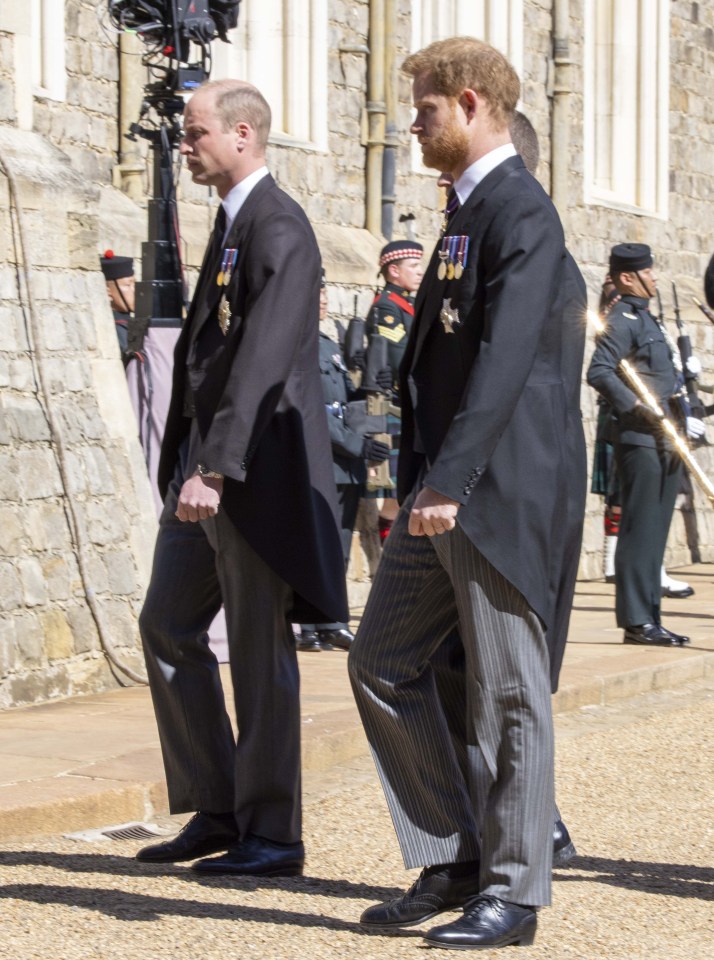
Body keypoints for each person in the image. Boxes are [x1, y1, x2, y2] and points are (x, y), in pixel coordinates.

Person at [348, 37, 585, 950]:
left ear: (474, 102)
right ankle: (453, 848)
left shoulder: (523, 213)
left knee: (509, 693)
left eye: (427, 107)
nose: (413, 122)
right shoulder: (461, 216)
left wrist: (450, 479)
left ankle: (515, 893)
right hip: (440, 491)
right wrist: (420, 481)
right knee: (382, 661)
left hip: (493, 492)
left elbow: (506, 358)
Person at [134, 79, 348, 877]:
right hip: (207, 472)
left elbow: (261, 360)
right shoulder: (232, 223)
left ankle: (273, 834)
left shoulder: (279, 227)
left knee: (260, 657)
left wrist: (216, 467)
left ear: (244, 135)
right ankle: (217, 806)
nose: (184, 146)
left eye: (195, 135)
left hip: (250, 478)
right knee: (168, 626)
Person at [587, 243, 704, 646]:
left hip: (668, 434)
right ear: (626, 277)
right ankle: (636, 620)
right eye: (647, 272)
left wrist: (690, 410)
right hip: (641, 435)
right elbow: (599, 371)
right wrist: (636, 406)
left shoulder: (648, 320)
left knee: (655, 529)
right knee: (639, 528)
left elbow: (665, 376)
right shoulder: (622, 319)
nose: (654, 277)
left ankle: (651, 616)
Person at [297, 271, 390, 652]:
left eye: (323, 290)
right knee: (313, 542)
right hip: (320, 457)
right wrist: (357, 444)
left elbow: (343, 397)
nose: (321, 297)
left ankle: (332, 620)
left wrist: (370, 385)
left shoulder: (327, 341)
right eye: (313, 290)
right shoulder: (296, 343)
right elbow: (311, 410)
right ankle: (306, 624)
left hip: (345, 463)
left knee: (339, 542)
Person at [350, 240, 424, 540]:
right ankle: (387, 555)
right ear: (393, 271)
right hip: (396, 404)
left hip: (407, 405)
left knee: (402, 494)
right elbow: (397, 356)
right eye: (413, 266)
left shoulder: (407, 303)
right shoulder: (387, 307)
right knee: (395, 496)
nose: (420, 271)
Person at [99, 250, 135, 365]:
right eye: (127, 285)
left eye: (134, 284)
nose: (134, 290)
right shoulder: (113, 328)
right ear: (108, 292)